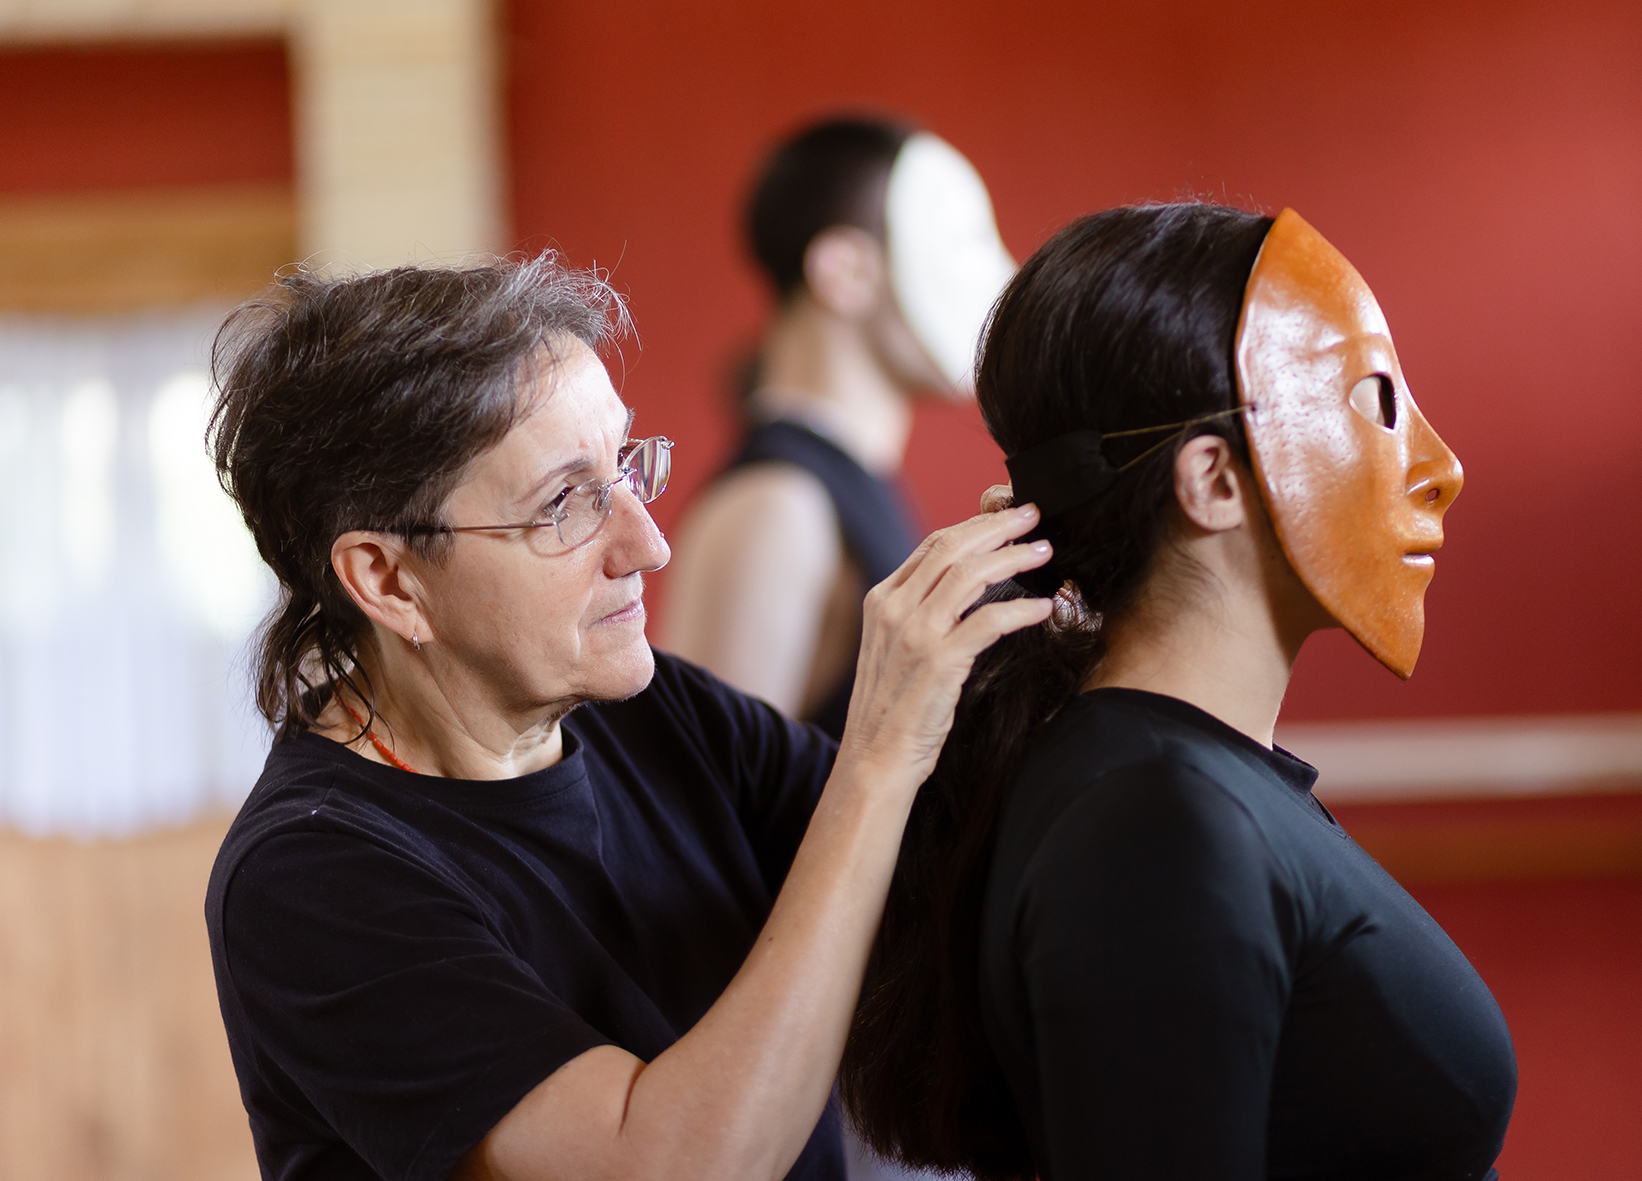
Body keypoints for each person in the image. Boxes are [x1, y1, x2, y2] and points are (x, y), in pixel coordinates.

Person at [201, 255, 1055, 1181]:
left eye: (625, 468)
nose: (646, 543)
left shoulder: (653, 711)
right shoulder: (310, 875)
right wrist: (880, 753)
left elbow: (941, 864)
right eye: (564, 504)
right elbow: (672, 1164)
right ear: (389, 580)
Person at [841, 203, 1518, 1181]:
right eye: (1373, 402)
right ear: (1211, 481)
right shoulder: (1155, 825)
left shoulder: (1172, 784)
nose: (1438, 468)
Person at [666, 117, 1016, 736]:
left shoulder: (840, 485)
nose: (1002, 273)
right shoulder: (778, 503)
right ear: (845, 270)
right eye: (960, 241)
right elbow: (708, 809)